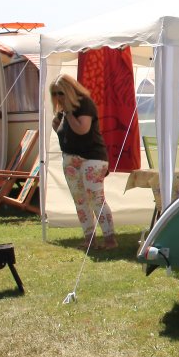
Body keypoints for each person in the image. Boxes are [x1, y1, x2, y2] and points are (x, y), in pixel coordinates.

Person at [50, 75, 116, 250]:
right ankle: (89, 239)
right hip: (70, 158)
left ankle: (110, 239)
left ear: (70, 90)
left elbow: (82, 129)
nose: (58, 97)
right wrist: (58, 124)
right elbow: (62, 131)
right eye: (55, 94)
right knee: (80, 201)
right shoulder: (63, 110)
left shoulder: (84, 104)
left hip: (92, 158)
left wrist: (69, 114)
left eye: (61, 93)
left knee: (96, 199)